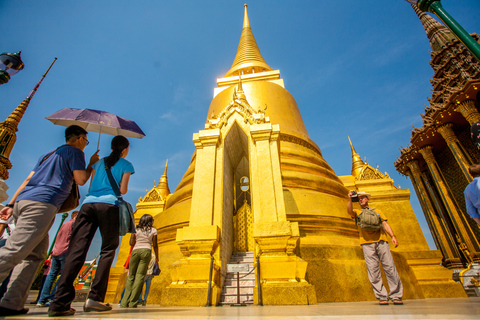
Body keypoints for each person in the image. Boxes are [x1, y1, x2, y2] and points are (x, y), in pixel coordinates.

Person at [0, 125, 98, 317]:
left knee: (34, 256)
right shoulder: (75, 152)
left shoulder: (47, 154)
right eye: (86, 141)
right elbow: (80, 180)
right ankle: (11, 301)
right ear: (79, 138)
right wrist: (91, 165)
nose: (86, 144)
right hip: (43, 203)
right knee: (15, 249)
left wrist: (11, 204)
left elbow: (28, 179)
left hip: (24, 201)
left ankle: (12, 302)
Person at [49, 135, 134, 317]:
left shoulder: (98, 162)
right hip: (109, 206)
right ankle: (94, 298)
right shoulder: (126, 165)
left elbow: (89, 185)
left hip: (87, 205)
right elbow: (123, 190)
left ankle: (59, 302)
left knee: (76, 250)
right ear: (125, 149)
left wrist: (92, 163)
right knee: (107, 250)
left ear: (111, 147)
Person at [347, 191, 403, 306]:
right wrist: (349, 199)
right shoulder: (357, 212)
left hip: (381, 241)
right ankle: (382, 296)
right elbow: (349, 212)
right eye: (359, 198)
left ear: (367, 199)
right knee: (373, 270)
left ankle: (396, 295)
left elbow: (385, 224)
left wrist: (393, 236)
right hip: (366, 243)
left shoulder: (377, 211)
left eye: (363, 198)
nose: (361, 200)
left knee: (390, 267)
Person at [36, 210, 79, 307]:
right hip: (65, 251)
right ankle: (53, 297)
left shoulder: (64, 225)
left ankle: (42, 299)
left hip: (56, 251)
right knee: (64, 275)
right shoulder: (74, 224)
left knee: (51, 276)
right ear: (76, 216)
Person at [120, 214, 158, 308]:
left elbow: (131, 243)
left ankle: (124, 302)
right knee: (140, 276)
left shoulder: (136, 229)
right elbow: (155, 244)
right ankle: (133, 302)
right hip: (146, 251)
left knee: (131, 276)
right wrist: (157, 256)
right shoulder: (153, 230)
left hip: (135, 251)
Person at [0, 215, 15, 300]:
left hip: (7, 240)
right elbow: (2, 225)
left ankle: (2, 293)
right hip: (8, 241)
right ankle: (1, 294)